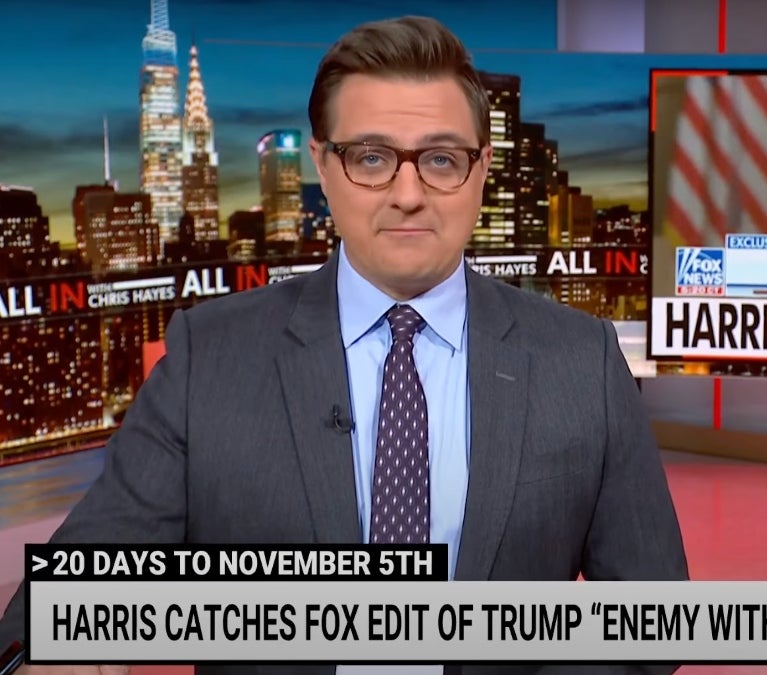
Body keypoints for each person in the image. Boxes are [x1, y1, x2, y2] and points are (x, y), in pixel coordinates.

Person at [0, 16, 688, 675]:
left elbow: (650, 610)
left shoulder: (583, 360)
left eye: (441, 159)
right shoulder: (211, 357)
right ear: (324, 169)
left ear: (482, 172)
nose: (408, 194)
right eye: (372, 158)